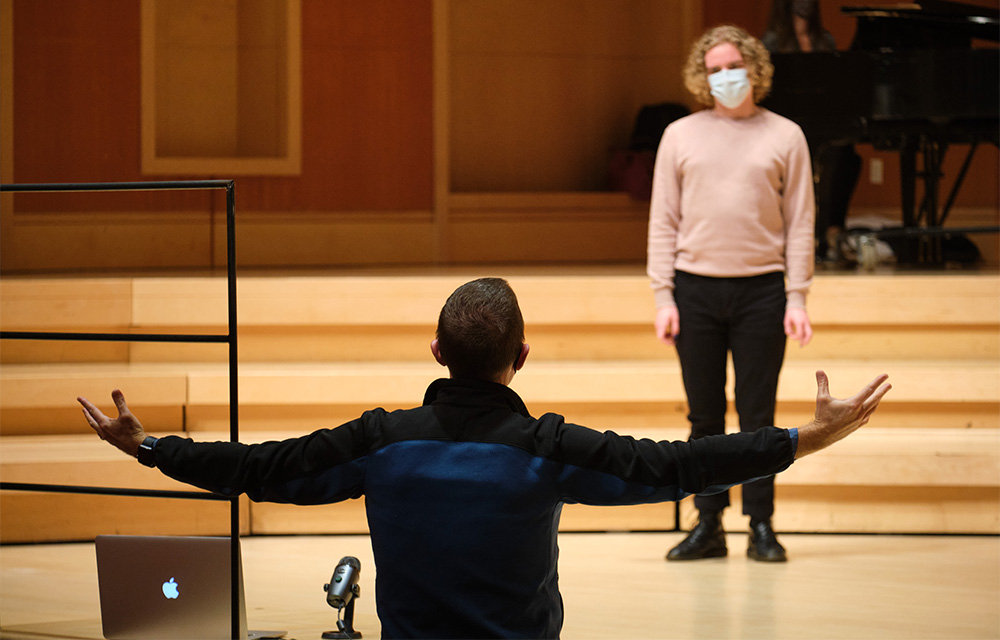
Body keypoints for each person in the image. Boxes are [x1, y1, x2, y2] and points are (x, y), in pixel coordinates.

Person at [80, 277, 890, 639]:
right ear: (522, 357)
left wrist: (151, 446)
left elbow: (257, 469)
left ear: (435, 351)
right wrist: (795, 440)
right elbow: (676, 465)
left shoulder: (380, 442)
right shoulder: (548, 449)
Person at [647, 25, 815, 563]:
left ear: (755, 70)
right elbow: (662, 221)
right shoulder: (679, 134)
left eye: (733, 66)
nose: (725, 76)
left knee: (759, 416)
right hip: (694, 291)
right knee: (704, 417)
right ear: (703, 76)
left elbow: (801, 224)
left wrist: (798, 296)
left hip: (763, 292)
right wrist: (663, 296)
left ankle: (761, 524)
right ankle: (708, 525)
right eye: (715, 69)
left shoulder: (786, 135)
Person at [762, 0, 863, 263]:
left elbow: (832, 85)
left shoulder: (823, 39)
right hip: (785, 124)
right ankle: (791, 240)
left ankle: (829, 233)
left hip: (821, 120)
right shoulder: (772, 41)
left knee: (846, 156)